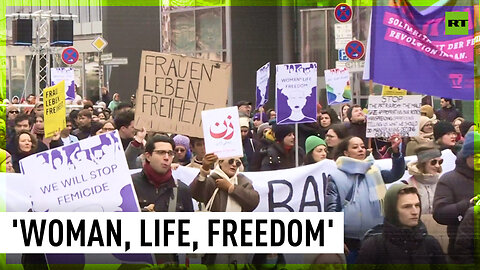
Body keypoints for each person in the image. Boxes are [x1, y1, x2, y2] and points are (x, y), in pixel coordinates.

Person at [325, 135, 405, 263]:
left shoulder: (374, 170)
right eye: (355, 147)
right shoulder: (336, 176)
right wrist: (336, 239)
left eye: (362, 146)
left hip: (378, 237)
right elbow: (331, 210)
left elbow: (395, 174)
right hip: (350, 242)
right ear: (346, 152)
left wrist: (396, 153)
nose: (361, 150)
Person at [190, 153, 259, 265]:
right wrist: (204, 169)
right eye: (231, 161)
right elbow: (196, 193)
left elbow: (253, 201)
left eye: (237, 163)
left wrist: (231, 188)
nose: (234, 165)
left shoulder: (243, 181)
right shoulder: (212, 180)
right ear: (220, 162)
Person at [356, 183, 446, 266]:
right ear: (392, 210)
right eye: (407, 207)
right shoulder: (374, 246)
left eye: (417, 205)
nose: (415, 212)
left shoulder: (430, 244)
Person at [433, 131, 478, 263]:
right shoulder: (449, 180)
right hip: (463, 254)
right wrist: (466, 205)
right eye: (475, 156)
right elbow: (439, 213)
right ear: (466, 156)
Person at [405, 142, 442, 214]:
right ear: (423, 163)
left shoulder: (443, 183)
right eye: (433, 162)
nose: (437, 166)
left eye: (440, 162)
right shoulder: (408, 185)